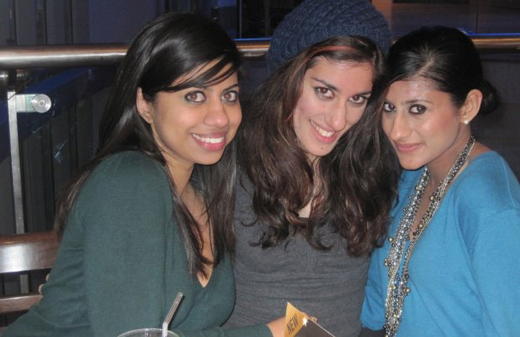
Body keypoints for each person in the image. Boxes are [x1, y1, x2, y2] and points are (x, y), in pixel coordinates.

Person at [3, 12, 280, 337]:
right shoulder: (129, 181)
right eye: (194, 96)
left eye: (229, 95)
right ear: (145, 104)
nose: (220, 117)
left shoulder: (203, 190)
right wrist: (272, 334)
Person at [361, 26, 520, 336]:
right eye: (389, 108)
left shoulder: (492, 209)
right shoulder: (415, 175)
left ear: (468, 106)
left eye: (417, 109)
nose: (396, 130)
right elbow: (375, 304)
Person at [224, 1, 399, 336]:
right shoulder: (233, 163)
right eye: (324, 91)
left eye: (357, 99)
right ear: (288, 78)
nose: (338, 120)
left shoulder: (371, 166)